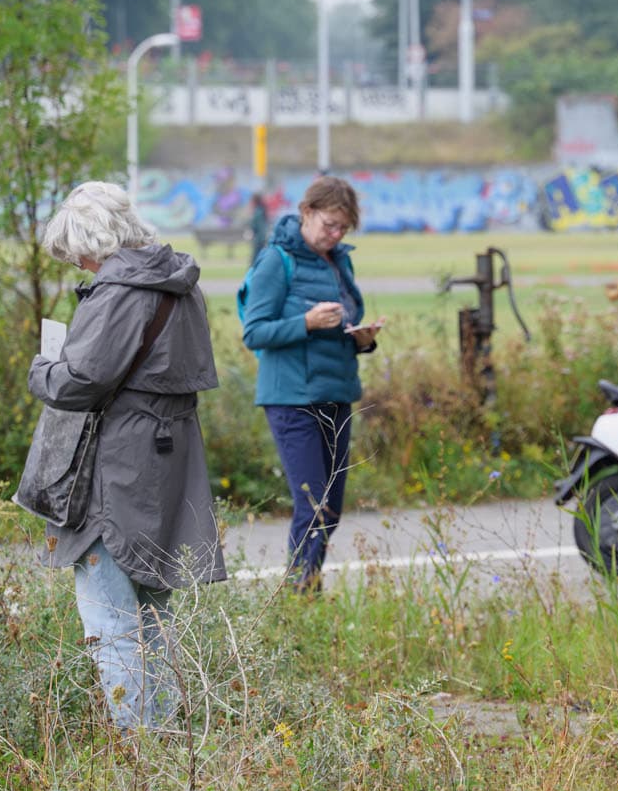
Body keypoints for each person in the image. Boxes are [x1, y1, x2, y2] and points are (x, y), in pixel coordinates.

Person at [26, 181, 223, 732]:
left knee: (109, 616)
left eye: (80, 254)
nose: (82, 266)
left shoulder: (118, 292)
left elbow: (79, 381)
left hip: (116, 460)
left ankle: (138, 746)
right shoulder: (180, 284)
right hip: (169, 457)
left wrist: (41, 370)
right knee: (154, 610)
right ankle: (164, 734)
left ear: (97, 241)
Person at [239, 176, 384, 589]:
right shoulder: (275, 260)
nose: (335, 235)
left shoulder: (340, 261)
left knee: (331, 509)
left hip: (336, 393)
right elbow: (255, 333)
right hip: (290, 399)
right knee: (313, 505)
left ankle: (307, 586)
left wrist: (362, 339)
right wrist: (305, 322)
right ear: (306, 213)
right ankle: (299, 596)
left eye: (343, 228)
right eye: (329, 224)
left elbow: (344, 322)